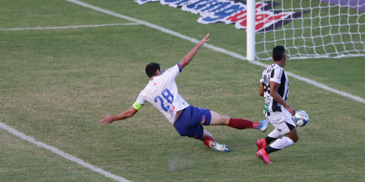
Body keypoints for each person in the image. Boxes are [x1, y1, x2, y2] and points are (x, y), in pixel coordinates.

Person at [101, 33, 268, 152]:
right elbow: (185, 61)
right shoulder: (166, 76)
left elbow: (131, 112)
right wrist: (198, 44)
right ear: (158, 71)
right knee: (225, 120)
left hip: (179, 126)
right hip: (189, 114)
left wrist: (112, 118)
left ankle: (212, 144)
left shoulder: (144, 93)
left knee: (205, 135)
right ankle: (259, 125)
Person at [256, 45, 299, 165]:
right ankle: (264, 152)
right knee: (293, 137)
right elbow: (273, 91)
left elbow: (261, 92)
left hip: (268, 108)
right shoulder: (278, 70)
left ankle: (263, 142)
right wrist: (287, 106)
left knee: (291, 124)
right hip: (276, 110)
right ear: (285, 56)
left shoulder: (266, 69)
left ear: (272, 57)